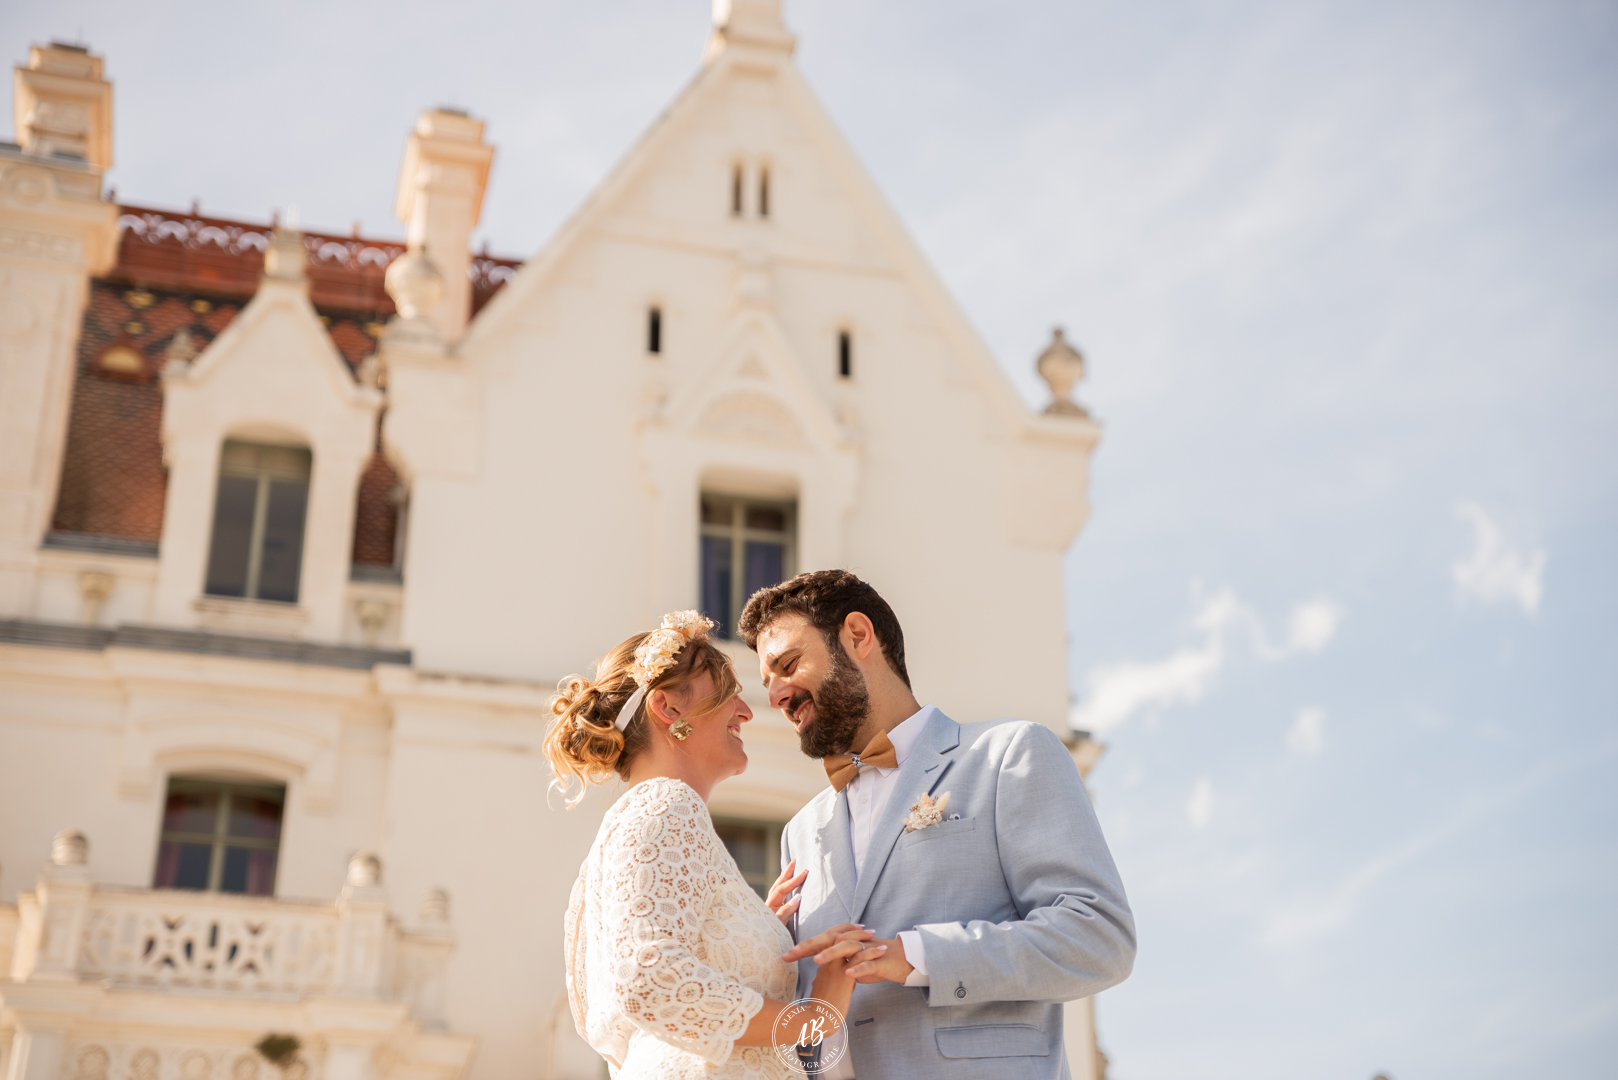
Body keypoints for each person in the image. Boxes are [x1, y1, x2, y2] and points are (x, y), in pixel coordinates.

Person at [739, 571, 1137, 1080]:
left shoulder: (1007, 754)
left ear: (858, 635)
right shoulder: (800, 831)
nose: (776, 695)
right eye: (768, 682)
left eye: (789, 664)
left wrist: (916, 955)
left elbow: (1099, 938)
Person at [550, 611, 885, 1079]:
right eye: (728, 693)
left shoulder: (635, 819)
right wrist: (811, 1019)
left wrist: (751, 928)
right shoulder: (668, 804)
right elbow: (646, 978)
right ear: (669, 710)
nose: (746, 712)